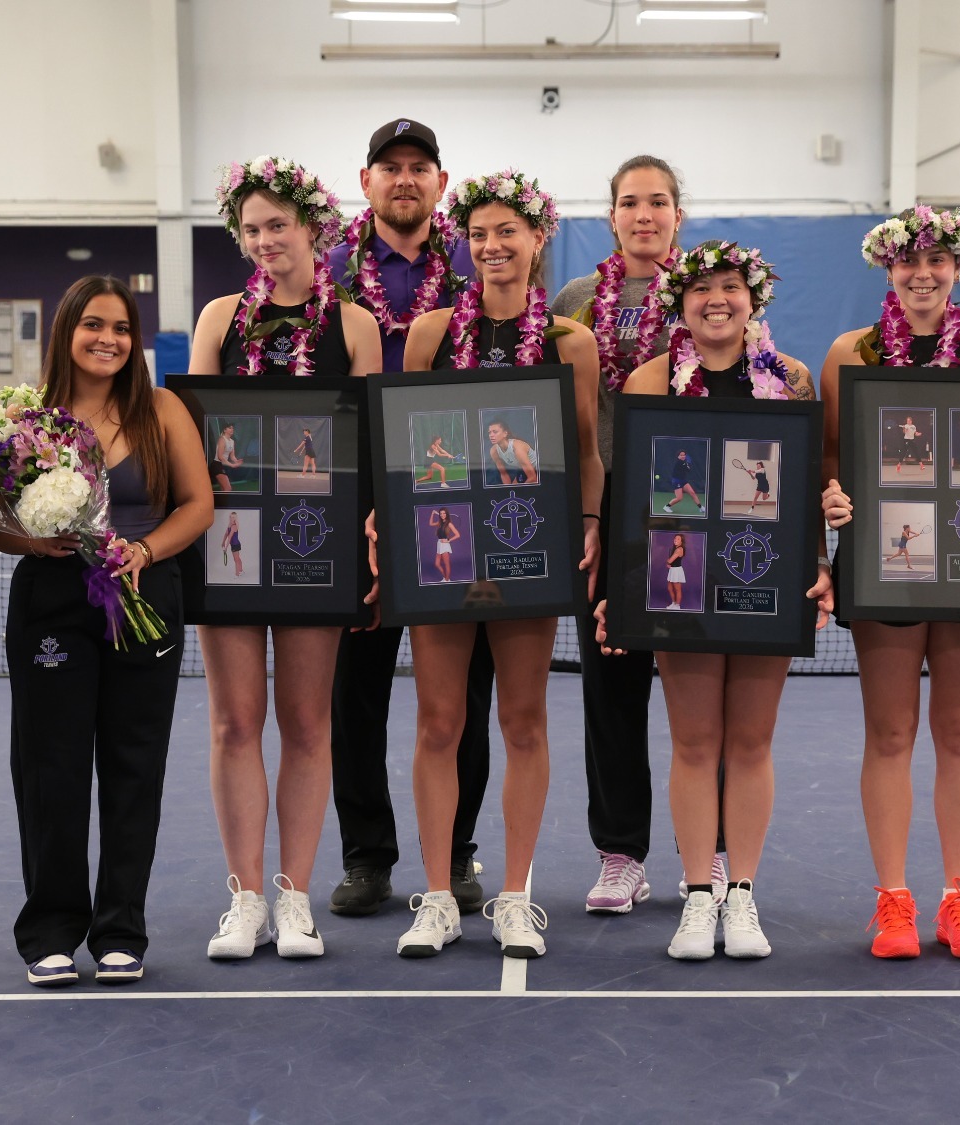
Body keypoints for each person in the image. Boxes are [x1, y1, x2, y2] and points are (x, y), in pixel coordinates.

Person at [593, 241, 828, 960]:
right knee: (694, 743)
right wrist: (617, 595)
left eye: (730, 286)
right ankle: (699, 896)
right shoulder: (651, 377)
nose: (716, 300)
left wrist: (819, 566)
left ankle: (743, 896)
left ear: (752, 298)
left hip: (765, 580)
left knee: (751, 742)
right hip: (681, 582)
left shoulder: (790, 380)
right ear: (679, 304)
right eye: (700, 290)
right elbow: (630, 495)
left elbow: (807, 488)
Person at [393, 168, 603, 958]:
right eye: (478, 235)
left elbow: (585, 450)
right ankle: (439, 894)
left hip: (528, 546)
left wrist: (584, 521)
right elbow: (406, 444)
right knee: (439, 721)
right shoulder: (429, 333)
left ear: (537, 237)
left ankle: (515, 895)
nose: (491, 247)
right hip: (444, 547)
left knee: (522, 720)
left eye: (507, 232)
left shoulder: (568, 342)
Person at [0, 275, 209, 987]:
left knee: (134, 768)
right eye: (92, 325)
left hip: (146, 598)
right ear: (67, 332)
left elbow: (200, 504)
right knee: (50, 769)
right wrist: (30, 541)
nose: (107, 338)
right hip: (53, 603)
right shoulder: (26, 417)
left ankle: (120, 929)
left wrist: (145, 550)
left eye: (120, 326)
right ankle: (49, 930)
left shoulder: (163, 410)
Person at [187, 156, 380, 961]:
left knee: (306, 723)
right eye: (252, 229)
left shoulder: (355, 324)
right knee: (235, 722)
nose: (265, 241)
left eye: (278, 225)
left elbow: (368, 445)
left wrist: (371, 541)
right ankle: (245, 898)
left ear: (313, 229)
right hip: (229, 545)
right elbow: (187, 434)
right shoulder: (218, 318)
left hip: (315, 546)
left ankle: (295, 895)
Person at [819, 205, 960, 960]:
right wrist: (833, 495)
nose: (923, 274)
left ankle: (959, 899)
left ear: (959, 267)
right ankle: (894, 899)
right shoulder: (850, 352)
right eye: (909, 263)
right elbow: (830, 455)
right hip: (886, 560)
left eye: (937, 262)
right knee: (892, 730)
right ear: (887, 268)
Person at [325, 119, 497, 918]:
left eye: (417, 167)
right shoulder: (328, 273)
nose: (404, 179)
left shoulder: (481, 264)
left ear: (440, 181)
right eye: (389, 167)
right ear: (365, 183)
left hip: (455, 504)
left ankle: (454, 848)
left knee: (461, 694)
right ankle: (366, 855)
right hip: (355, 503)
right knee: (354, 691)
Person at [554, 156, 683, 911]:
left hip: (686, 516)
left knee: (706, 691)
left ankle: (717, 848)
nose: (644, 214)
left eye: (658, 202)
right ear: (611, 217)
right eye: (630, 202)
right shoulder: (574, 300)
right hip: (601, 521)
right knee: (611, 689)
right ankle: (619, 853)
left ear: (677, 215)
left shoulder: (714, 290)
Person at [486, 419, 539, 485]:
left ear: (505, 433)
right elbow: (504, 474)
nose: (491, 435)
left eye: (495, 432)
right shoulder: (494, 451)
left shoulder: (517, 448)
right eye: (489, 432)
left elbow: (533, 478)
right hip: (524, 470)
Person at [664, 450, 703, 514]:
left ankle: (700, 508)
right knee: (679, 498)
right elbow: (687, 469)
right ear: (678, 456)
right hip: (677, 481)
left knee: (692, 492)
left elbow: (688, 470)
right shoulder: (678, 462)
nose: (683, 456)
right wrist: (688, 464)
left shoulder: (683, 462)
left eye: (684, 455)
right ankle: (667, 506)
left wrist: (687, 464)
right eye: (681, 455)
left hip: (683, 480)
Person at [428, 507, 460, 582]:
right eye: (441, 513)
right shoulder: (439, 523)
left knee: (446, 564)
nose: (442, 515)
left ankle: (447, 579)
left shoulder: (449, 524)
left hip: (445, 546)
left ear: (446, 514)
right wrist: (432, 514)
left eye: (444, 513)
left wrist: (448, 540)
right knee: (437, 564)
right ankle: (445, 578)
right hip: (439, 544)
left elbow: (458, 535)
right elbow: (430, 524)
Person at [211, 421, 245, 492]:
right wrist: (232, 465)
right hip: (217, 465)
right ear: (224, 430)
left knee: (224, 489)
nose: (232, 429)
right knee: (227, 489)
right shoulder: (222, 439)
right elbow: (220, 457)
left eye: (232, 428)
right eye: (229, 428)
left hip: (224, 465)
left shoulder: (232, 441)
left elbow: (232, 456)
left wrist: (236, 461)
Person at [665, 532, 688, 610]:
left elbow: (670, 560)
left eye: (678, 539)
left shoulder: (679, 549)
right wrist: (669, 563)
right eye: (675, 538)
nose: (675, 540)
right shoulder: (674, 548)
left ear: (681, 541)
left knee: (677, 589)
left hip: (677, 571)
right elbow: (671, 562)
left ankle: (677, 606)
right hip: (672, 570)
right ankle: (673, 603)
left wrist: (668, 562)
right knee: (670, 588)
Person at [221, 512, 244, 576]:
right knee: (237, 558)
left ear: (235, 518)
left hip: (236, 545)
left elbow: (230, 537)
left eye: (233, 517)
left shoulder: (234, 526)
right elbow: (226, 534)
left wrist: (226, 547)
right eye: (230, 517)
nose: (231, 518)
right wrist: (223, 542)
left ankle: (237, 574)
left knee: (236, 560)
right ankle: (241, 570)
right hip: (233, 544)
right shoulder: (229, 525)